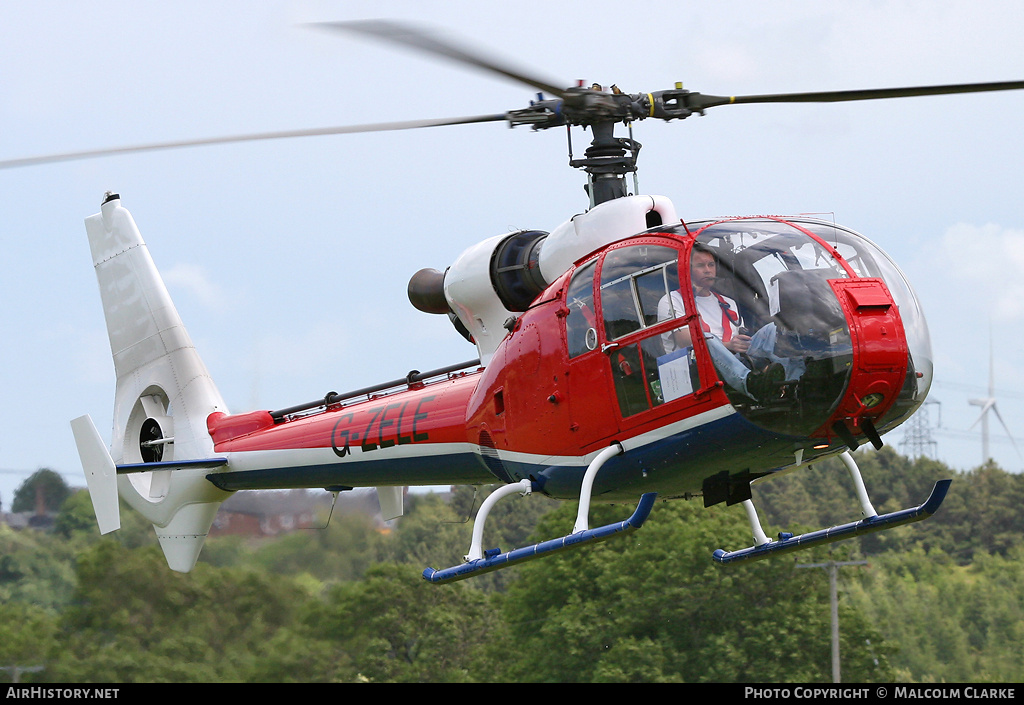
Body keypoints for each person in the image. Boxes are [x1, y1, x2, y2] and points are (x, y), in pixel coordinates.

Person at [658, 244, 783, 402]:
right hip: (698, 368)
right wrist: (728, 345)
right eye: (700, 266)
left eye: (711, 265)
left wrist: (741, 342)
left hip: (735, 360)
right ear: (687, 270)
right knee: (706, 338)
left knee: (772, 329)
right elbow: (684, 339)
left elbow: (739, 334)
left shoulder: (728, 302)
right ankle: (750, 383)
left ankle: (791, 381)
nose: (708, 270)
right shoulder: (671, 300)